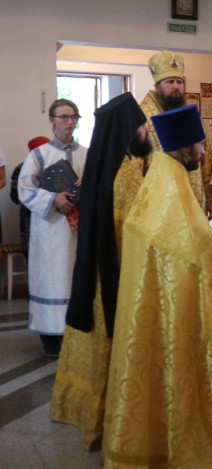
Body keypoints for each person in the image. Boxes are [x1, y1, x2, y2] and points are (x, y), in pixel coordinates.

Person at [103, 104, 212, 467]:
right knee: (173, 375)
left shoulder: (161, 176)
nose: (204, 151)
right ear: (186, 147)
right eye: (200, 144)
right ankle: (175, 448)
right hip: (174, 309)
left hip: (147, 307)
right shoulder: (173, 183)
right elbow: (192, 247)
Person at [51, 93, 151, 451]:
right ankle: (109, 414)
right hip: (117, 273)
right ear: (128, 129)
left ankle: (80, 406)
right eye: (141, 126)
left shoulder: (103, 163)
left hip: (95, 274)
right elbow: (134, 227)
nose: (145, 131)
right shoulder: (124, 171)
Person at [18, 99, 88, 357]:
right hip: (50, 229)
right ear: (52, 120)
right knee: (52, 278)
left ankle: (75, 333)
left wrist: (89, 183)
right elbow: (24, 189)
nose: (70, 122)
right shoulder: (39, 154)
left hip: (80, 229)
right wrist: (53, 199)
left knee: (76, 276)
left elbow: (103, 186)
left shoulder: (87, 154)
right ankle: (49, 335)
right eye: (64, 117)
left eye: (74, 117)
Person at [140, 50, 212, 217]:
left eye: (179, 81)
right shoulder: (142, 118)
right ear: (157, 86)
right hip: (159, 201)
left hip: (193, 197)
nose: (176, 86)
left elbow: (207, 156)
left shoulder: (191, 115)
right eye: (170, 81)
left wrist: (209, 197)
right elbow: (137, 164)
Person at [8, 137, 50, 258]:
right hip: (55, 214)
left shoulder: (22, 168)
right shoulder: (61, 166)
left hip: (29, 216)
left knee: (32, 253)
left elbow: (15, 197)